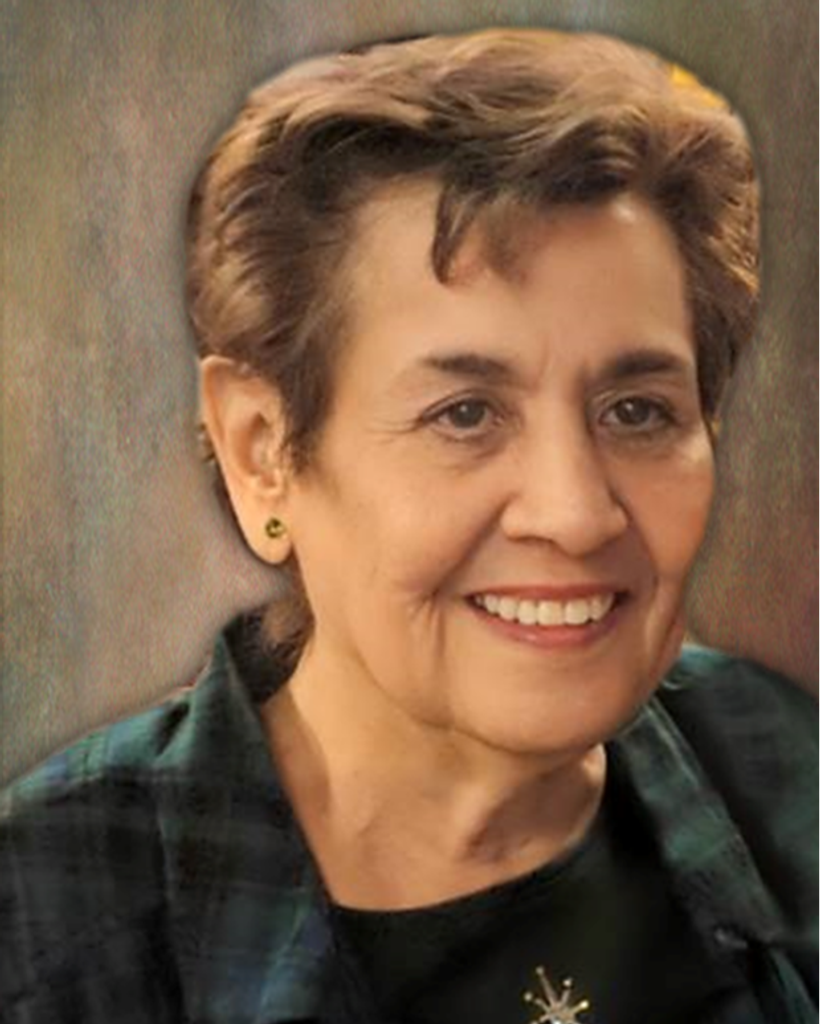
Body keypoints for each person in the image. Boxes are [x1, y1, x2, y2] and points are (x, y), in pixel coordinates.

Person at [1, 28, 819, 1024]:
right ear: (262, 451)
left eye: (637, 411)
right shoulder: (40, 926)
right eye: (463, 414)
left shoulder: (783, 766)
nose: (574, 514)